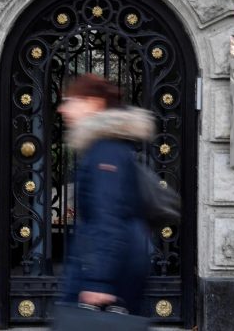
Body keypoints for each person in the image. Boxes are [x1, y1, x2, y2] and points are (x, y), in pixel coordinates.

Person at [57, 73, 154, 314]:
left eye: (70, 101)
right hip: (107, 267)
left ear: (93, 103)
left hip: (108, 275)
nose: (62, 109)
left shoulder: (106, 150)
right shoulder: (104, 146)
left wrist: (99, 281)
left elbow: (108, 215)